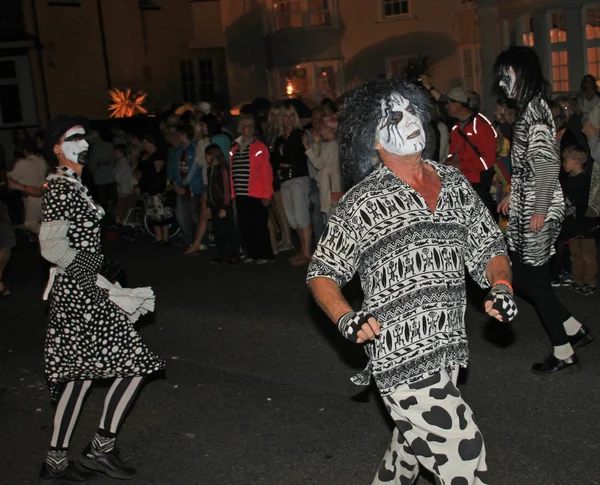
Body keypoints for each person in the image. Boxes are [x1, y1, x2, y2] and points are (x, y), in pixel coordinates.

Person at [307, 77, 517, 485]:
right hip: (400, 354)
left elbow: (489, 245)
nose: (410, 120)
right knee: (462, 448)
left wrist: (501, 284)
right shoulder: (363, 202)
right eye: (394, 115)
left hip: (447, 348)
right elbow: (322, 272)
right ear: (374, 139)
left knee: (406, 455)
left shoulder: (454, 182)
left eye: (414, 110)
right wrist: (345, 318)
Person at [38, 116, 165, 482]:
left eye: (84, 136)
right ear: (57, 149)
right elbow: (50, 246)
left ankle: (56, 461)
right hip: (81, 294)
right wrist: (98, 265)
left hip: (81, 290)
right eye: (72, 137)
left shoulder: (73, 184)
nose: (83, 142)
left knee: (79, 377)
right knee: (135, 365)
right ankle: (100, 449)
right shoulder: (62, 187)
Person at [494, 46, 594, 373]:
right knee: (527, 280)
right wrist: (513, 193)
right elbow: (530, 167)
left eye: (506, 74)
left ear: (523, 75)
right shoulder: (531, 109)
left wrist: (536, 209)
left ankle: (564, 350)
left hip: (539, 209)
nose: (501, 82)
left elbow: (548, 167)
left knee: (530, 282)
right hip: (531, 204)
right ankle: (572, 329)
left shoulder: (533, 112)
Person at [420, 77, 498, 215]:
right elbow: (453, 154)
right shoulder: (456, 128)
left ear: (458, 104)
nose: (446, 106)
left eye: (450, 103)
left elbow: (488, 160)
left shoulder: (480, 125)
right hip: (461, 183)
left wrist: (461, 165)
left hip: (477, 184)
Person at [230, 115, 274, 264]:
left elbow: (266, 172)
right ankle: (252, 253)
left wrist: (267, 194)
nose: (249, 129)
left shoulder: (260, 147)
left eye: (251, 126)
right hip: (241, 193)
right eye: (246, 126)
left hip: (256, 193)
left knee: (259, 225)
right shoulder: (234, 149)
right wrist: (232, 193)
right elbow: (232, 173)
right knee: (245, 225)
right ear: (240, 129)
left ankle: (265, 254)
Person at [274, 104, 313, 265]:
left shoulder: (299, 134)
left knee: (301, 216)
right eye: (286, 116)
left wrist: (282, 162)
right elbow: (274, 159)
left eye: (291, 116)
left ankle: (307, 252)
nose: (289, 119)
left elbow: (292, 158)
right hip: (285, 180)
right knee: (292, 219)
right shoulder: (279, 138)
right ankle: (302, 250)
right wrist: (281, 163)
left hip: (298, 178)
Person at [561, 146, 599, 295]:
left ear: (576, 162)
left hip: (586, 226)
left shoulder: (586, 182)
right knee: (575, 254)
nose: (563, 163)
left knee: (588, 255)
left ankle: (590, 282)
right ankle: (578, 280)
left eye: (566, 160)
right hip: (572, 225)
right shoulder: (567, 180)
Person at [265, 103, 294, 254]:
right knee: (276, 209)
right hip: (272, 172)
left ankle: (287, 239)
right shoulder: (271, 133)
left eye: (278, 115)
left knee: (282, 209)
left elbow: (277, 156)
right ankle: (284, 237)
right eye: (273, 115)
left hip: (279, 174)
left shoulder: (280, 134)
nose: (275, 118)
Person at [302, 118, 342, 225]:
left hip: (331, 191)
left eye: (321, 128)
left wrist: (307, 146)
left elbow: (318, 164)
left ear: (330, 129)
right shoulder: (330, 144)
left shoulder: (332, 145)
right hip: (329, 190)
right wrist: (316, 144)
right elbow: (318, 160)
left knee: (333, 224)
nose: (318, 131)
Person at [168, 123, 203, 247]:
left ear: (184, 135)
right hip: (181, 188)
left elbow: (195, 168)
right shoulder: (179, 150)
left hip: (193, 187)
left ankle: (199, 240)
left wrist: (183, 184)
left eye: (179, 134)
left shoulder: (194, 149)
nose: (177, 137)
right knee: (181, 214)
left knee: (194, 214)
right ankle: (189, 238)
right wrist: (176, 184)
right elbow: (175, 168)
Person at [206, 144, 239, 264]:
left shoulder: (222, 169)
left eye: (207, 155)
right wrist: (208, 206)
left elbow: (226, 188)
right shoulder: (210, 169)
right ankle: (222, 255)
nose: (206, 158)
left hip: (223, 204)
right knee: (218, 231)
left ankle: (234, 254)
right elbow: (209, 189)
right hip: (214, 204)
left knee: (228, 230)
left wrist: (225, 206)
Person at [8, 138, 48, 233]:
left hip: (31, 196)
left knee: (30, 224)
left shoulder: (23, 163)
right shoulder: (41, 161)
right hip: (43, 195)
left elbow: (10, 178)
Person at [138, 134, 174, 244]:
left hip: (157, 188)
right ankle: (158, 236)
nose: (143, 145)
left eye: (145, 142)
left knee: (161, 213)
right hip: (147, 188)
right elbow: (139, 172)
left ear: (151, 143)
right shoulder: (145, 156)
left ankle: (165, 237)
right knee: (152, 213)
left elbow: (158, 170)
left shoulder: (158, 155)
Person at [86, 130, 116, 214]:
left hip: (111, 178)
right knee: (103, 202)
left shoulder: (109, 146)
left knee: (113, 200)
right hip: (99, 180)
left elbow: (117, 160)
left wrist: (107, 162)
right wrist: (97, 164)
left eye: (97, 138)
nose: (96, 140)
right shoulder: (91, 151)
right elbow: (91, 168)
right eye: (94, 139)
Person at [113, 144, 135, 226]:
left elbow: (117, 178)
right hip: (123, 191)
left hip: (126, 192)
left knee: (122, 213)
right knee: (122, 213)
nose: (115, 155)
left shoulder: (123, 164)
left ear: (122, 153)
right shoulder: (120, 163)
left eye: (116, 153)